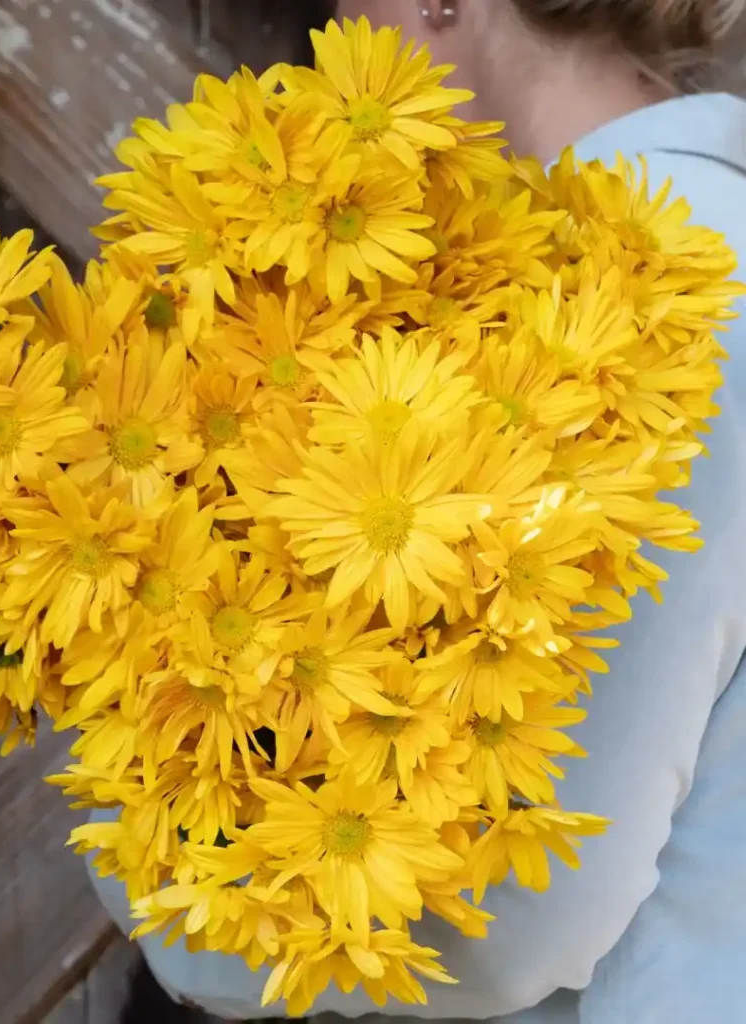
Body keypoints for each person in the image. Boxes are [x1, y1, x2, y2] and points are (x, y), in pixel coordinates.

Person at [93, 3, 746, 1021]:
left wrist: (153, 872)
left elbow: (507, 925)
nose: (335, 25)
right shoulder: (656, 258)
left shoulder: (668, 290)